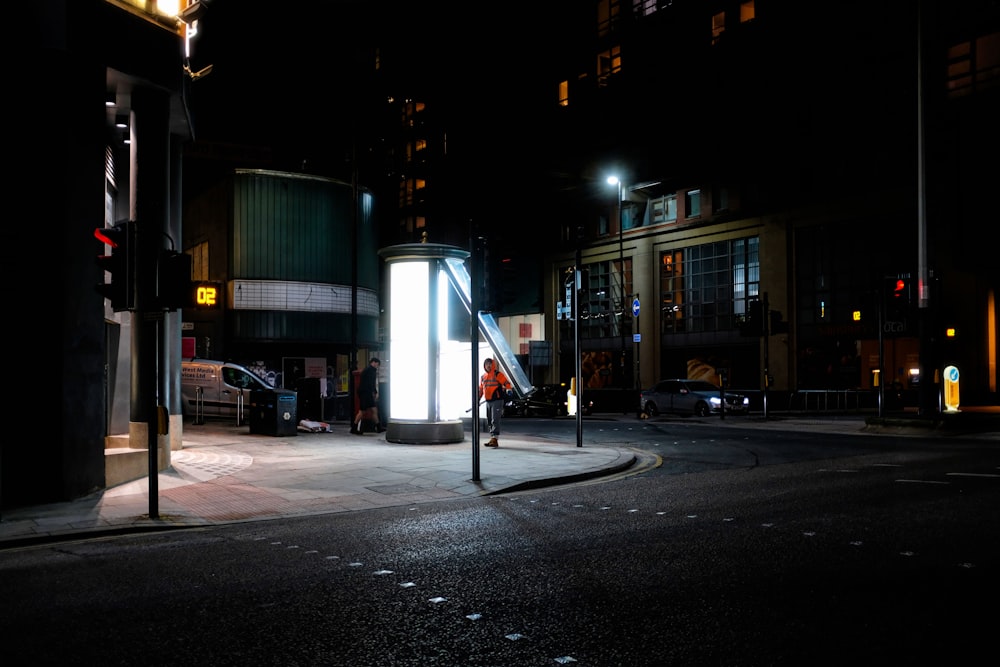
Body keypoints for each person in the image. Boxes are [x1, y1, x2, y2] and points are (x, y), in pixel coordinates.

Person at [477, 357, 512, 447]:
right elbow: (481, 389)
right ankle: (493, 438)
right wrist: (477, 399)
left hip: (497, 400)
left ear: (493, 365)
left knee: (495, 419)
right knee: (489, 420)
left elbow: (506, 383)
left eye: (490, 363)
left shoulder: (497, 374)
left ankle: (495, 439)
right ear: (484, 366)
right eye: (486, 364)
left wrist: (508, 389)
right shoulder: (483, 377)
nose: (488, 365)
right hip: (488, 401)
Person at [352, 357, 381, 434]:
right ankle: (354, 428)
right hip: (366, 393)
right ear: (373, 362)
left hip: (365, 393)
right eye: (377, 364)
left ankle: (379, 427)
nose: (377, 366)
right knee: (362, 411)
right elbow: (371, 383)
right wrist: (374, 391)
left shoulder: (368, 370)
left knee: (373, 410)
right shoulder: (370, 371)